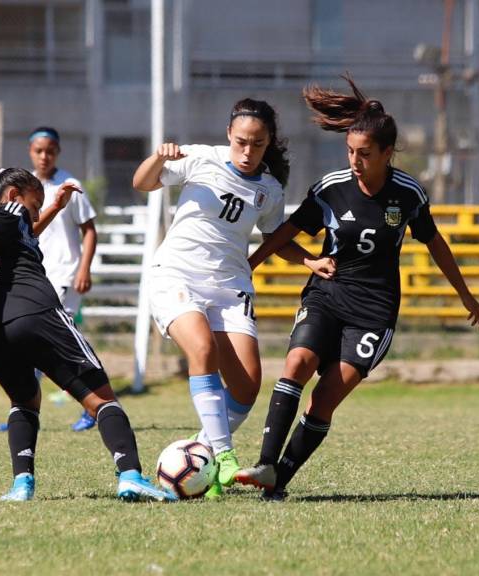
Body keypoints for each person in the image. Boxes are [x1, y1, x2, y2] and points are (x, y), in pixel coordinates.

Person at [236, 76, 479, 501]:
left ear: (387, 154)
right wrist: (250, 266)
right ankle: (264, 463)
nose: (355, 160)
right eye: (350, 151)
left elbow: (436, 243)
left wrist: (466, 295)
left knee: (325, 398)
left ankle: (279, 479)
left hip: (374, 310)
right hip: (327, 293)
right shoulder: (332, 188)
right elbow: (285, 233)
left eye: (365, 154)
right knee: (296, 362)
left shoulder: (408, 194)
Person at [132, 98, 332, 498]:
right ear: (229, 135)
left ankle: (199, 456)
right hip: (177, 274)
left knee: (246, 387)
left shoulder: (270, 189)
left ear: (268, 142)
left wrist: (309, 260)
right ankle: (223, 456)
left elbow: (275, 239)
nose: (247, 151)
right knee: (201, 348)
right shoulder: (200, 159)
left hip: (229, 285)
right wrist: (158, 157)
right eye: (241, 141)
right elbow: (142, 183)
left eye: (257, 144)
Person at [0, 167, 175, 502]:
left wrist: (53, 208)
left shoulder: (10, 223)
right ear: (15, 195)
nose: (33, 215)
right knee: (101, 398)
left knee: (25, 401)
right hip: (34, 311)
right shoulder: (6, 213)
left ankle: (22, 485)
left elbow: (20, 233)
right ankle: (131, 475)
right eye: (35, 205)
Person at [0, 126, 99, 433]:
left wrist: (84, 268)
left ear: (58, 152)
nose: (44, 156)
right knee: (29, 346)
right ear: (30, 152)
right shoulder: (21, 186)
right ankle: (24, 411)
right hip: (35, 275)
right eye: (39, 150)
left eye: (50, 150)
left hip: (65, 272)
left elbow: (89, 229)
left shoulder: (69, 185)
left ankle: (94, 405)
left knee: (62, 343)